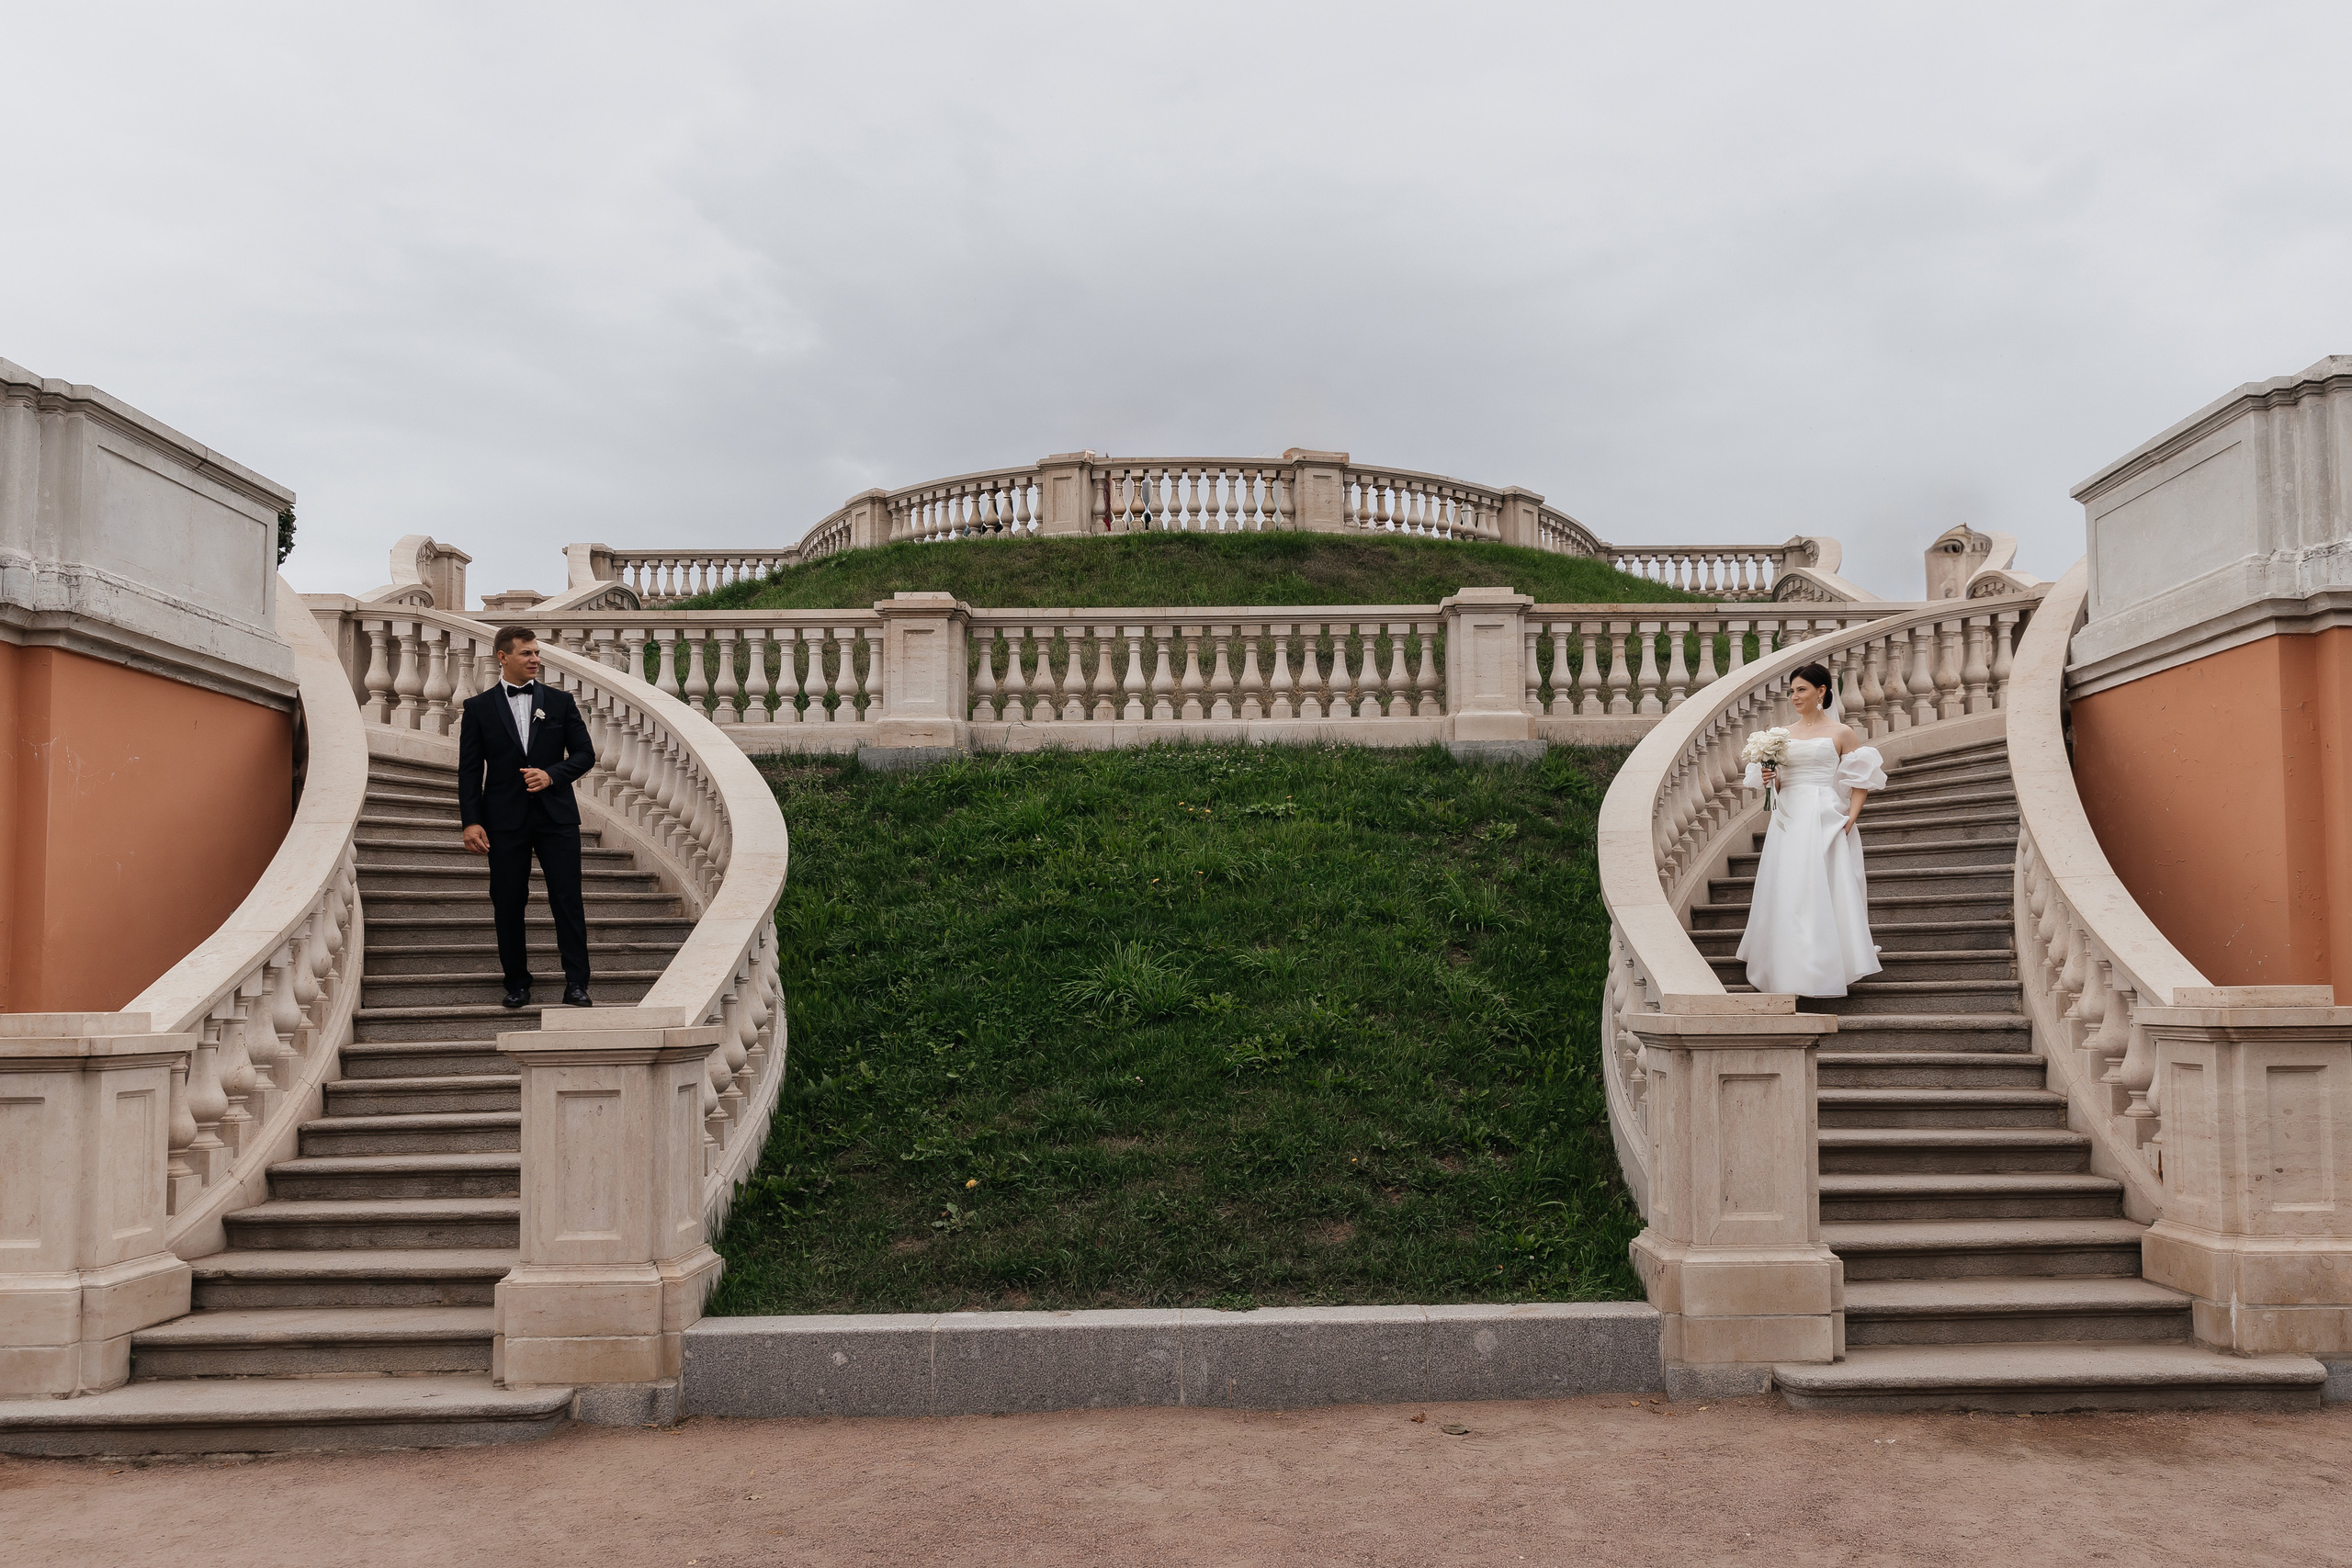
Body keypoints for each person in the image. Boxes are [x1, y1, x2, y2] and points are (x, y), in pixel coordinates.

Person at [458, 626, 597, 1010]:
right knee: (507, 901)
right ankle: (516, 982)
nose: (535, 659)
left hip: (557, 818)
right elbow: (469, 771)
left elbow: (585, 755)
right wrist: (471, 821)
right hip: (503, 820)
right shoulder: (478, 708)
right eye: (527, 654)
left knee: (567, 899)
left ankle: (577, 984)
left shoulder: (560, 701)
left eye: (537, 653)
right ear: (503, 657)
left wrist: (553, 774)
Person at [1736, 660, 1885, 998]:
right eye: (1792, 691)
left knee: (1823, 890)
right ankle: (1787, 968)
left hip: (1826, 817)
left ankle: (1824, 967)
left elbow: (1859, 779)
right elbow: (1778, 780)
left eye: (1801, 689)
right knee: (1789, 890)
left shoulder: (1841, 733)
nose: (1795, 697)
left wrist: (1851, 819)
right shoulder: (1781, 735)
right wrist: (1770, 778)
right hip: (1788, 818)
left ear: (1822, 691)